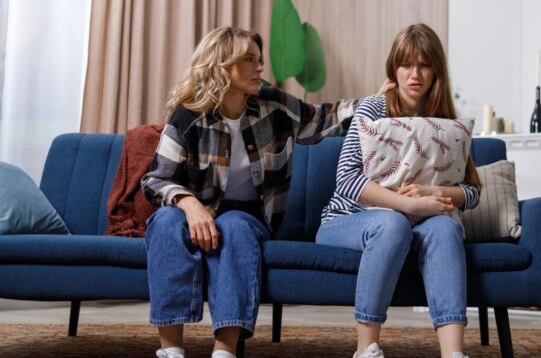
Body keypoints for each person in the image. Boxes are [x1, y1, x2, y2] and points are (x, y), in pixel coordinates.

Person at [141, 26, 393, 358]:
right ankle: (171, 350)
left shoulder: (272, 105)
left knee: (234, 226)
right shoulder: (188, 116)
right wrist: (189, 204)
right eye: (249, 59)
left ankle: (224, 351)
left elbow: (324, 119)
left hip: (249, 216)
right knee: (164, 222)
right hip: (195, 214)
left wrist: (377, 102)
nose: (260, 67)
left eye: (259, 59)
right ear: (221, 64)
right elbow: (155, 179)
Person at [316, 23, 481, 358]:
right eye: (406, 64)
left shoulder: (447, 122)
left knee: (447, 227)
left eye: (424, 64)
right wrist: (411, 207)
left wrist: (431, 194)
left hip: (419, 221)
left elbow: (472, 191)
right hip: (348, 220)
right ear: (394, 68)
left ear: (437, 70)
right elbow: (347, 181)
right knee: (393, 223)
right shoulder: (374, 109)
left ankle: (453, 353)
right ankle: (367, 348)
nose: (414, 74)